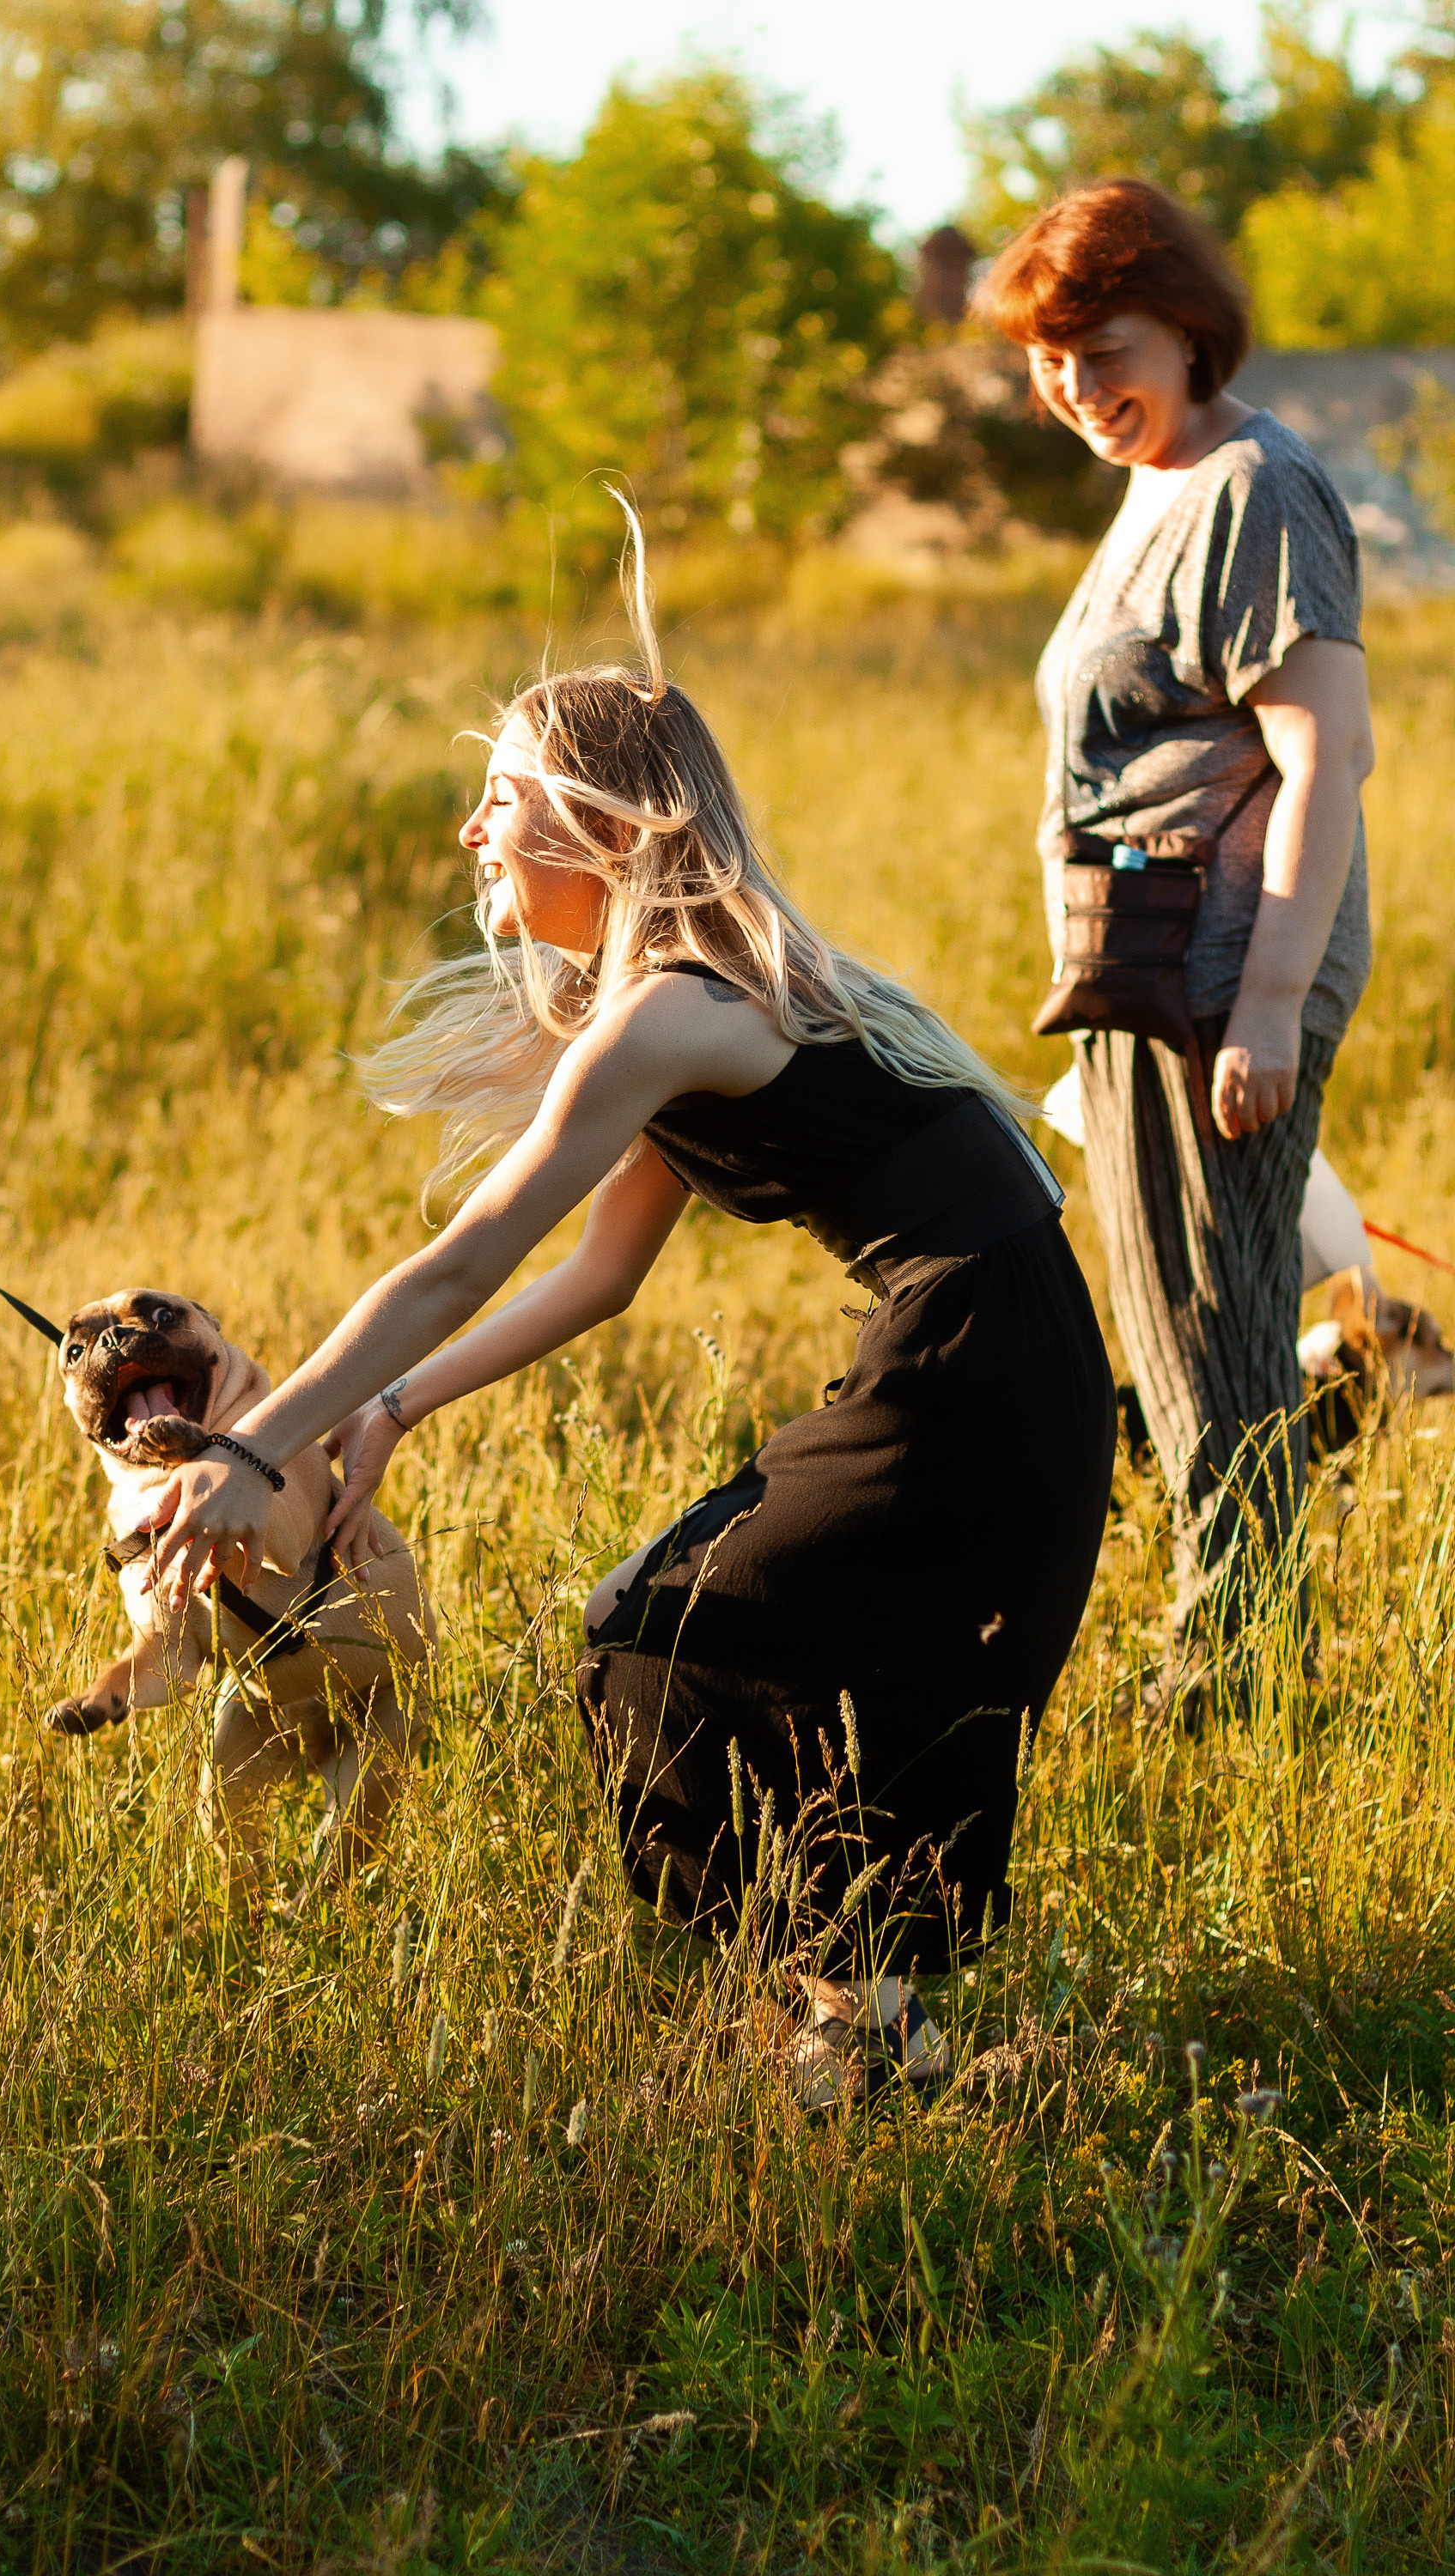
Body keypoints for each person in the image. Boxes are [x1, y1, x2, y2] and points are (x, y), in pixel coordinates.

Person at [146, 508, 1116, 2105]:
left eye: (503, 799)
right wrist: (386, 1409)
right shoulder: (669, 1011)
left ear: (600, 824)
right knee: (739, 1636)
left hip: (977, 1356)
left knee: (663, 1629)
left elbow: (467, 1258)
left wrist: (254, 1445)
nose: (473, 832)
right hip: (987, 1342)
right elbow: (599, 1280)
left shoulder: (674, 1011)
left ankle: (841, 2024)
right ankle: (874, 2034)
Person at [979, 178, 1374, 1700]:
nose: (1079, 387)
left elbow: (1325, 752)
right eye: (1051, 357)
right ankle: (1241, 1643)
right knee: (1180, 1312)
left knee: (1211, 1320)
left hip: (1218, 969)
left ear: (1191, 330)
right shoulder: (1164, 480)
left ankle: (1241, 1666)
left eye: (1106, 346)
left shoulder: (1253, 486)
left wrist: (1269, 997)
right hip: (1144, 967)